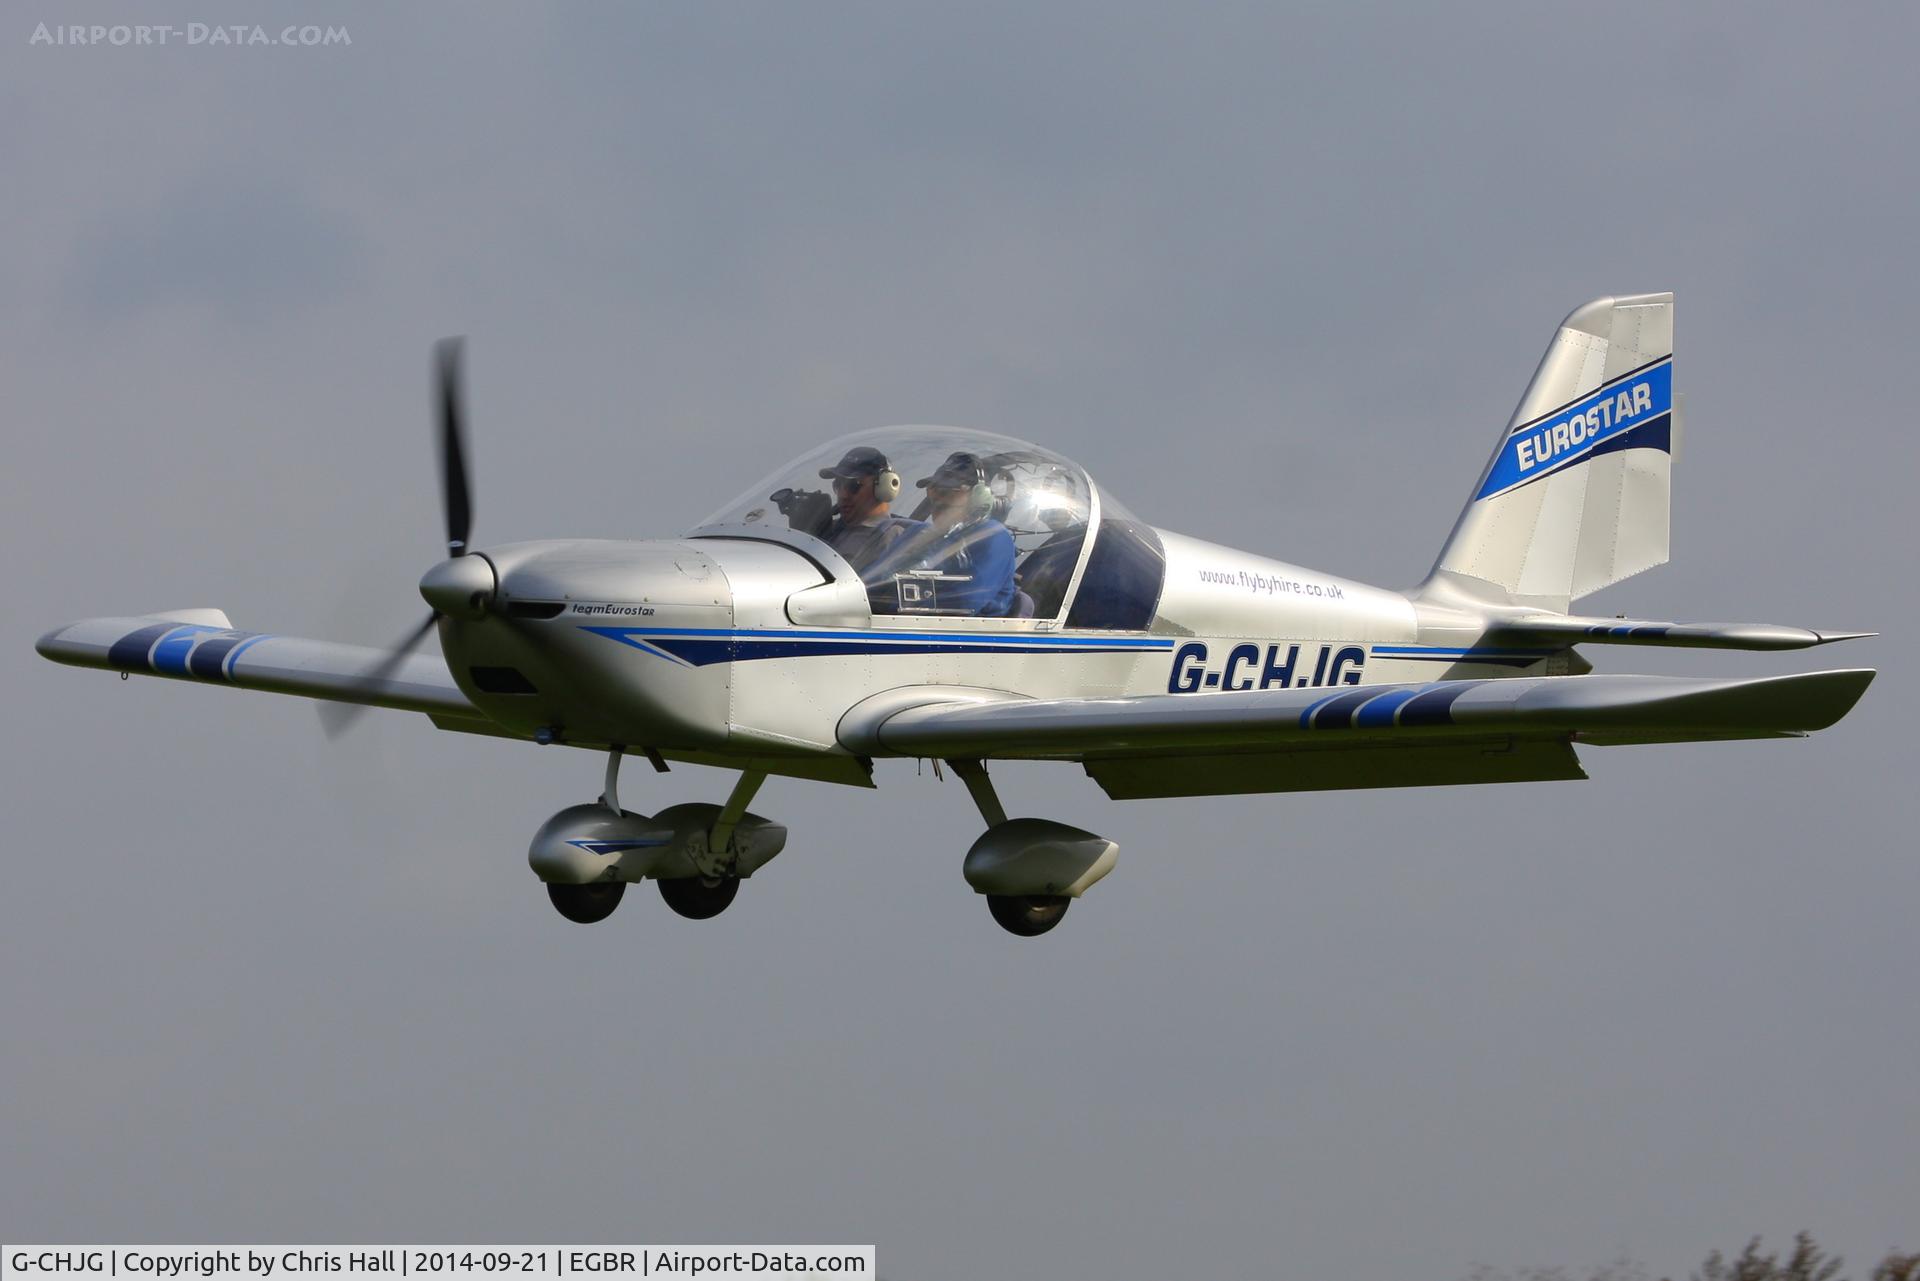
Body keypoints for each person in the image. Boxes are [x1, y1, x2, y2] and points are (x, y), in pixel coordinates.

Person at [893, 451, 1018, 616]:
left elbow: (963, 603)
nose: (937, 498)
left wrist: (891, 605)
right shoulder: (919, 534)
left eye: (947, 491)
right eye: (933, 489)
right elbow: (873, 581)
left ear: (978, 498)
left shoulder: (992, 536)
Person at [815, 446, 920, 573]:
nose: (843, 495)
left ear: (884, 486)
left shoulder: (894, 536)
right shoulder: (829, 531)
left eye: (853, 486)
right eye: (838, 485)